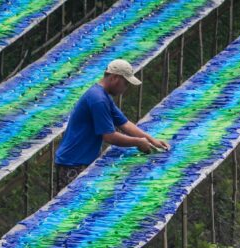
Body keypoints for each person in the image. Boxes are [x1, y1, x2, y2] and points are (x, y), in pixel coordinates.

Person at [53, 58, 171, 190]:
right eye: (125, 83)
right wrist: (138, 142)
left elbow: (125, 124)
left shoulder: (103, 96)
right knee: (72, 207)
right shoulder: (98, 99)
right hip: (73, 163)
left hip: (82, 160)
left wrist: (152, 141)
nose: (125, 88)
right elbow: (109, 136)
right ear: (115, 78)